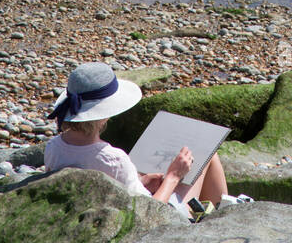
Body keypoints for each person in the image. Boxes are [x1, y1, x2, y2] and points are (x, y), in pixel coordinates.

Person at [44, 62, 228, 219]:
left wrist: (142, 182)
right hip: (150, 222)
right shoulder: (113, 159)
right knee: (207, 155)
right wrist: (173, 176)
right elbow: (149, 213)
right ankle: (225, 218)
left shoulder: (53, 148)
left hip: (96, 216)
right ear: (103, 116)